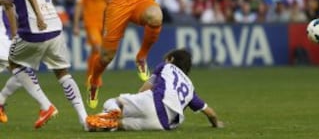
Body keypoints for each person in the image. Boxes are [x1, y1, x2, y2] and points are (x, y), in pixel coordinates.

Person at [1, 0, 88, 130]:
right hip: (55, 26)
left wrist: (38, 15)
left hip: (33, 28)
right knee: (63, 73)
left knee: (15, 63)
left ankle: (46, 105)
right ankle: (84, 120)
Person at [86, 48, 224, 131]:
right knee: (120, 124)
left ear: (171, 59)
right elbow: (210, 113)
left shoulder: (166, 66)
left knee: (114, 101)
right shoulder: (189, 86)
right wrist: (216, 123)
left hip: (153, 102)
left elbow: (147, 87)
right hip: (163, 124)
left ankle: (113, 110)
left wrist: (134, 102)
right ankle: (108, 123)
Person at [73, 0, 110, 82]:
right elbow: (79, 6)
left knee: (97, 52)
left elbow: (111, 7)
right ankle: (96, 78)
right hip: (91, 24)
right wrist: (76, 25)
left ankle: (90, 76)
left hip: (104, 25)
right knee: (98, 48)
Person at [0, 0, 22, 123]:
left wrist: (14, 35)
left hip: (2, 37)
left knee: (23, 73)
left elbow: (9, 6)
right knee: (23, 73)